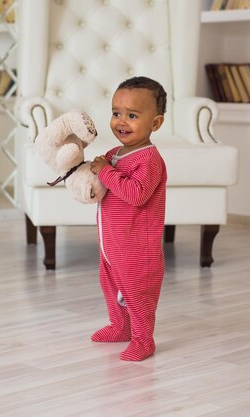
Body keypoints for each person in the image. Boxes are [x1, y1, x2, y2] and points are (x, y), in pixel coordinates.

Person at [89, 76, 167, 361]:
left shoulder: (149, 160)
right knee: (110, 285)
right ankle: (120, 326)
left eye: (132, 116)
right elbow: (104, 180)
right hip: (112, 244)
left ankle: (143, 339)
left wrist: (105, 172)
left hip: (137, 250)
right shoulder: (115, 154)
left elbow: (136, 194)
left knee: (137, 294)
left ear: (155, 123)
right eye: (116, 113)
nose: (121, 121)